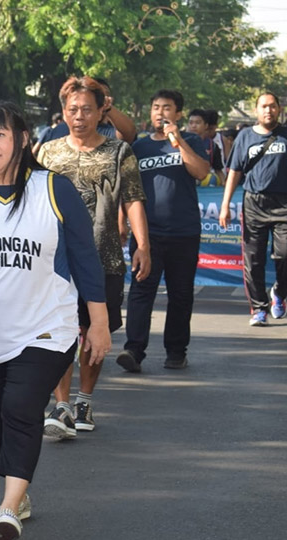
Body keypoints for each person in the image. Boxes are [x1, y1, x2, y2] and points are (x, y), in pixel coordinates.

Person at [0, 101, 109, 540]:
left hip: (47, 325)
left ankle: (8, 506)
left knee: (21, 406)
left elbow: (85, 257)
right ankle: (19, 489)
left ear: (23, 139)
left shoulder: (53, 188)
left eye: (0, 135)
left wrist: (99, 322)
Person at [37, 76, 150, 438]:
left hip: (104, 257)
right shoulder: (47, 152)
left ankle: (84, 399)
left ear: (102, 111)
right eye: (73, 109)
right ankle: (61, 405)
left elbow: (133, 199)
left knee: (93, 332)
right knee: (59, 332)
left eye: (87, 109)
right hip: (55, 260)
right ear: (63, 112)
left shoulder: (119, 152)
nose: (79, 116)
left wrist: (142, 245)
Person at [116, 90, 210, 373]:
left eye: (167, 108)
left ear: (178, 114)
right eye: (156, 107)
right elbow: (127, 188)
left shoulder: (191, 141)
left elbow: (201, 172)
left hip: (184, 232)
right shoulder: (140, 147)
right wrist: (121, 220)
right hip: (147, 234)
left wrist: (178, 141)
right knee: (141, 290)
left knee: (180, 294)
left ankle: (176, 351)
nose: (160, 112)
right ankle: (134, 350)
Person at [219, 92, 287, 327]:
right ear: (256, 110)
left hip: (284, 204)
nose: (268, 110)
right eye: (264, 106)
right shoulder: (245, 136)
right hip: (254, 204)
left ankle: (279, 292)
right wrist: (225, 205)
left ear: (279, 109)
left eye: (272, 106)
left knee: (285, 254)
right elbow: (234, 172)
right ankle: (259, 309)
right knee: (254, 259)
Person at [37, 78, 137, 146]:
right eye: (73, 109)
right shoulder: (59, 131)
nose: (79, 116)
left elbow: (129, 134)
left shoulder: (110, 133)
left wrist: (107, 106)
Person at [187, 108, 225, 186]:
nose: (193, 126)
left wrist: (224, 184)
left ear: (206, 125)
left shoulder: (213, 146)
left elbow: (218, 170)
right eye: (191, 123)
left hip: (204, 185)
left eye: (197, 123)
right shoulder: (181, 143)